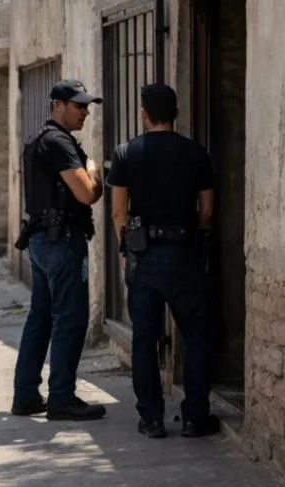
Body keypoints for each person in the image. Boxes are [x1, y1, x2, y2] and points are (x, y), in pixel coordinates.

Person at [105, 83, 221, 439]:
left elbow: (118, 212)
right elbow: (207, 210)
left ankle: (151, 419)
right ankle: (195, 417)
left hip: (142, 256)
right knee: (196, 335)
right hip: (183, 254)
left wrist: (126, 251)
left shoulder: (126, 153)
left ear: (144, 114)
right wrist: (191, 236)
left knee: (144, 338)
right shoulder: (196, 153)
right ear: (176, 114)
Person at [11, 79, 108, 421]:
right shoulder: (57, 141)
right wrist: (94, 172)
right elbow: (87, 194)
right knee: (70, 319)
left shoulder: (40, 139)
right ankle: (62, 398)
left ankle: (25, 394)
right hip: (62, 242)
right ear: (57, 105)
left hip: (43, 241)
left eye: (86, 106)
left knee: (40, 318)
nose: (85, 112)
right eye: (78, 106)